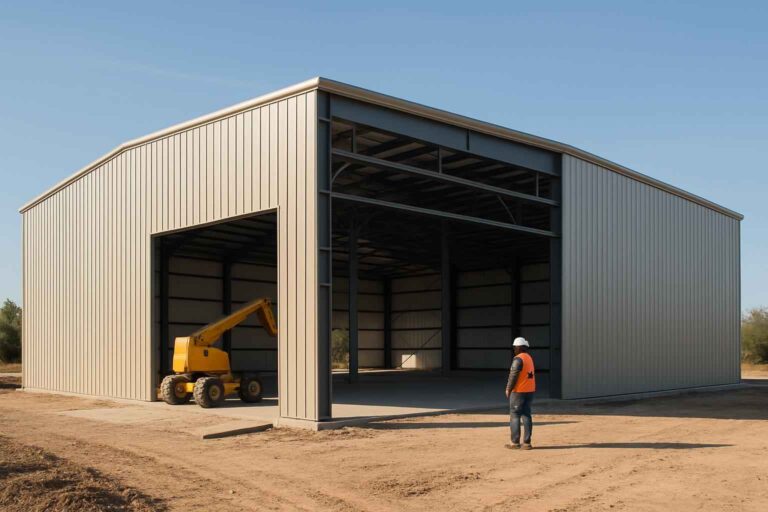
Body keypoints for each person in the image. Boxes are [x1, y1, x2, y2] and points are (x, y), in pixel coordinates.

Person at [505, 337, 536, 450]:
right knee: (526, 415)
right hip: (530, 390)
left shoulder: (518, 359)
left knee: (515, 415)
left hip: (519, 391)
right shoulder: (529, 357)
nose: (514, 350)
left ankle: (514, 442)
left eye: (515, 348)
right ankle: (527, 443)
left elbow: (513, 375)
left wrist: (508, 388)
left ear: (518, 347)